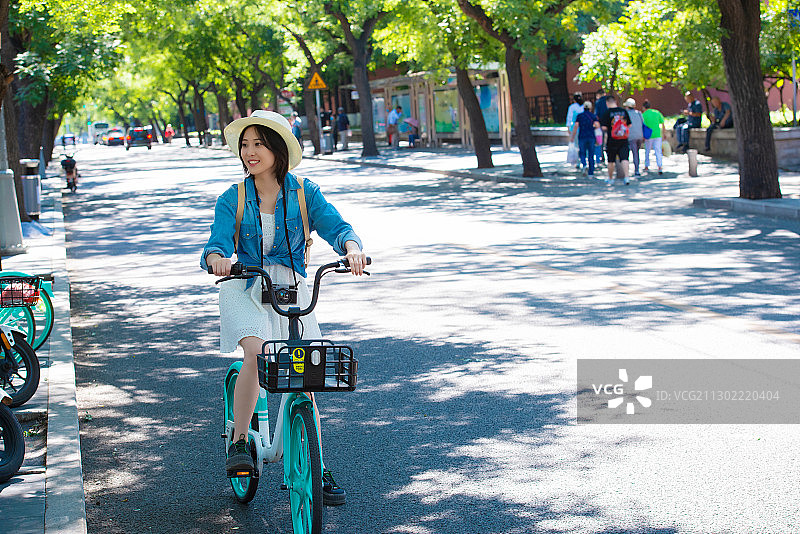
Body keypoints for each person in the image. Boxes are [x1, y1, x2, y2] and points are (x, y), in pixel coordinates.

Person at [201, 110, 367, 505]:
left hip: (290, 287)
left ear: (278, 148)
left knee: (305, 369)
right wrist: (218, 259)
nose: (250, 152)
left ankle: (316, 464)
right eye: (245, 144)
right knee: (257, 354)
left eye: (258, 144)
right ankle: (240, 441)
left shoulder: (305, 193)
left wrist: (352, 249)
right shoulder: (232, 197)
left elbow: (337, 227)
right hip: (244, 283)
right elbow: (216, 243)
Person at [599, 95, 632, 185]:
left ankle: (610, 178)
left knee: (611, 160)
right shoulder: (623, 111)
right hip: (623, 139)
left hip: (612, 139)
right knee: (624, 158)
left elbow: (604, 127)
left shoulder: (607, 113)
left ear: (607, 103)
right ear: (615, 102)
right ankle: (627, 177)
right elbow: (629, 125)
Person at [569, 101, 599, 178]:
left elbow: (576, 126)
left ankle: (584, 165)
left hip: (582, 136)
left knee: (582, 153)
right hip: (591, 137)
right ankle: (591, 172)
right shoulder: (593, 116)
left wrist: (572, 137)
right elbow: (597, 125)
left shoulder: (580, 116)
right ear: (590, 107)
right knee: (591, 154)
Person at [641, 100, 667, 175]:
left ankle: (646, 166)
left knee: (647, 151)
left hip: (648, 135)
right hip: (657, 135)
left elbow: (642, 126)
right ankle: (659, 166)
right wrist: (664, 133)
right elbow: (662, 123)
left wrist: (642, 136)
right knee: (658, 151)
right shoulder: (657, 112)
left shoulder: (644, 114)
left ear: (643, 107)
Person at [623, 98, 645, 177]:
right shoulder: (639, 113)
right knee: (636, 153)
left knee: (632, 153)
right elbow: (643, 123)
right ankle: (637, 169)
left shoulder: (625, 114)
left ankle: (634, 171)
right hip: (639, 135)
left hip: (631, 136)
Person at [566, 93, 584, 167]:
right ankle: (583, 161)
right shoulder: (583, 106)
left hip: (574, 128)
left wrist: (568, 128)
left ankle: (577, 162)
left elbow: (569, 118)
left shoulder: (572, 107)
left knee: (576, 145)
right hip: (583, 127)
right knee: (582, 145)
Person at [593, 89, 608, 165]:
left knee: (600, 141)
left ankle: (602, 157)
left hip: (601, 124)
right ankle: (609, 156)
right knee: (609, 141)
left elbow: (596, 114)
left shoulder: (598, 102)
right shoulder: (608, 101)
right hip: (609, 124)